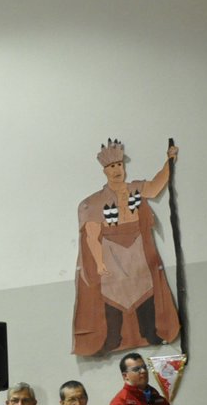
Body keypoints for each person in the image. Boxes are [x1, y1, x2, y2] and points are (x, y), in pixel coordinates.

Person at [73, 140, 182, 356]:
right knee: (112, 296)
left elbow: (155, 186)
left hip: (138, 250)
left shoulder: (135, 189)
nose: (117, 170)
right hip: (111, 252)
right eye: (111, 167)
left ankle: (150, 331)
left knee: (146, 290)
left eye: (119, 165)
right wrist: (100, 262)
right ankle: (113, 336)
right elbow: (92, 237)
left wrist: (169, 161)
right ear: (105, 171)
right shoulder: (93, 202)